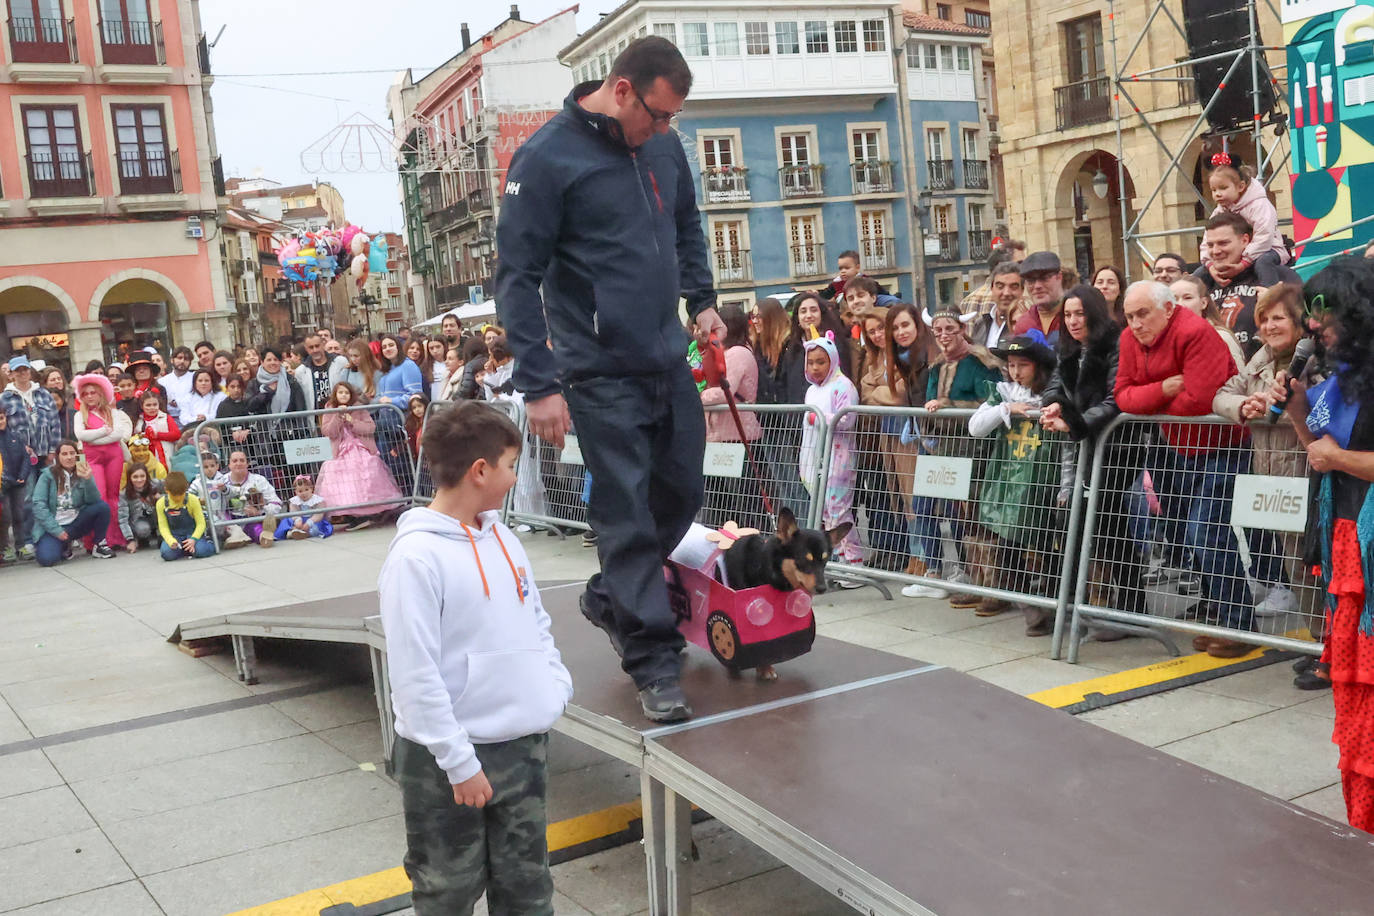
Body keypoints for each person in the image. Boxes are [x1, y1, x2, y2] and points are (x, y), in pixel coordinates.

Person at [494, 35, 720, 721]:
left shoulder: (661, 145)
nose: (664, 129)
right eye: (657, 115)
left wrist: (702, 299)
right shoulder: (545, 159)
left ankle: (609, 597)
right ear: (622, 90)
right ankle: (653, 660)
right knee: (623, 510)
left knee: (681, 491)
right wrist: (538, 383)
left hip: (667, 357)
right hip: (597, 370)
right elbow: (516, 277)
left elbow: (686, 223)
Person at [380, 401, 571, 916]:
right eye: (510, 465)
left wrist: (553, 687)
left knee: (528, 890)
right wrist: (459, 762)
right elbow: (414, 673)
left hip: (521, 747)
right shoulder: (415, 557)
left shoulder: (504, 536)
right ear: (480, 470)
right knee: (447, 890)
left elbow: (536, 621)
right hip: (447, 763)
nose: (514, 477)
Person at [1265, 259, 1374, 827]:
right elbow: (1320, 454)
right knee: (1357, 688)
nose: (1314, 326)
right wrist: (1300, 413)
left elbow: (1340, 458)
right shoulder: (1338, 376)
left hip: (1371, 546)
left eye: (1324, 314)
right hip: (1346, 543)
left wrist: (1339, 457)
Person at [1115, 280, 1255, 658]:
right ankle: (1226, 616)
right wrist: (1163, 390)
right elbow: (1123, 395)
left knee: (1206, 533)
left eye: (1143, 314)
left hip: (1222, 447)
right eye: (1130, 316)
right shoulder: (1130, 339)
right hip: (1176, 447)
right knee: (1187, 533)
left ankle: (1239, 623)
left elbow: (1199, 399)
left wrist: (1152, 400)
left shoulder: (1195, 332)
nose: (1136, 324)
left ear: (1169, 309)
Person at [1041, 285, 1148, 636]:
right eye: (1068, 315)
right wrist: (1056, 403)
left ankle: (1133, 609)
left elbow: (1116, 399)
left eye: (1079, 314)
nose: (1073, 321)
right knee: (1098, 527)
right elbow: (1055, 382)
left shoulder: (1116, 342)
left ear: (1094, 313)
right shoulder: (1069, 348)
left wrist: (1074, 422)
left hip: (1117, 449)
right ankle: (1116, 605)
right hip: (1086, 446)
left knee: (1109, 526)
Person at [1213, 282, 1322, 625]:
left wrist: (1285, 408)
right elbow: (1221, 395)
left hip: (1311, 478)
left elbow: (1323, 410)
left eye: (1278, 318)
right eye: (1263, 319)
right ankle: (1319, 643)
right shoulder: (1259, 360)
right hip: (1275, 484)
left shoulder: (1317, 361)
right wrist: (1245, 406)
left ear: (1299, 321)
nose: (1269, 326)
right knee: (1296, 567)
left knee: (1321, 566)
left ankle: (1338, 646)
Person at [966, 331, 1060, 631]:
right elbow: (976, 427)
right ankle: (1029, 607)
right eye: (1012, 364)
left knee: (1048, 547)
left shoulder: (1055, 395)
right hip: (1009, 482)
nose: (1016, 371)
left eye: (1024, 364)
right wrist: (1006, 409)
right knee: (1006, 546)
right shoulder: (1003, 393)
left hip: (1045, 480)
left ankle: (1053, 605)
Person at [1195, 211, 1302, 359]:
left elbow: (1301, 325)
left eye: (1223, 243)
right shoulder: (1202, 283)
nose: (1215, 251)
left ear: (1245, 240)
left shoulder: (1274, 275)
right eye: (1210, 245)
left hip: (1263, 374)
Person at [698, 304, 764, 531]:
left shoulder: (738, 353)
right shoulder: (725, 352)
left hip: (736, 435)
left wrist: (696, 396)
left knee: (741, 500)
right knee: (722, 500)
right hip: (721, 436)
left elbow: (725, 390)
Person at [800, 333, 863, 566]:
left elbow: (846, 419)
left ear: (833, 360)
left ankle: (854, 562)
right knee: (825, 514)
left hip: (838, 460)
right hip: (814, 459)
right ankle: (837, 559)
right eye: (811, 362)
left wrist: (818, 418)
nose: (815, 368)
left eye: (821, 362)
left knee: (839, 513)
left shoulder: (842, 386)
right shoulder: (812, 390)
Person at [315, 382, 405, 530]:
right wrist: (338, 416)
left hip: (360, 447)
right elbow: (328, 431)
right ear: (335, 395)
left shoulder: (359, 408)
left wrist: (352, 421)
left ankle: (366, 513)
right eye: (340, 393)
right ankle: (351, 514)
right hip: (340, 450)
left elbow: (370, 427)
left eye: (346, 393)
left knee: (366, 471)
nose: (343, 395)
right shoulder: (330, 409)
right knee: (339, 478)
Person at [1198, 153, 1289, 287]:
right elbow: (1207, 240)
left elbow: (1264, 236)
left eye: (1223, 188)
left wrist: (1244, 263)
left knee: (1263, 263)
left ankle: (1271, 294)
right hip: (1240, 254)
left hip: (1269, 249)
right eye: (1213, 189)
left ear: (1241, 186)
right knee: (1201, 272)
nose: (1217, 193)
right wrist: (1210, 265)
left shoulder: (1259, 205)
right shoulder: (1219, 210)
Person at [31, 440, 116, 564]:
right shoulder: (47, 475)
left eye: (72, 453)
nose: (69, 457)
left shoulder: (82, 471)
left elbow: (94, 501)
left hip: (75, 522)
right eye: (64, 454)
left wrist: (88, 480)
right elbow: (38, 505)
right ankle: (64, 545)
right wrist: (56, 530)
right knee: (47, 559)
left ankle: (99, 545)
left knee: (102, 507)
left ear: (77, 455)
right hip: (54, 526)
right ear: (58, 457)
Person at [72, 372, 131, 549]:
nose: (90, 396)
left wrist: (94, 437)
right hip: (91, 458)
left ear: (101, 394)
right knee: (99, 497)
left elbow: (118, 434)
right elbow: (80, 435)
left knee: (114, 497)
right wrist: (103, 432)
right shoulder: (78, 415)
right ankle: (98, 539)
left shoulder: (113, 413)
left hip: (114, 455)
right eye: (86, 393)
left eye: (93, 392)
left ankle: (115, 538)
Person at [3, 355, 61, 488]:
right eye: (18, 370)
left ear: (30, 371)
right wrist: (17, 446)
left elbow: (55, 424)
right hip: (21, 457)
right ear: (11, 374)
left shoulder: (44, 394)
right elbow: (4, 430)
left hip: (46, 453)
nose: (23, 373)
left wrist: (53, 451)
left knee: (49, 491)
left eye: (25, 369)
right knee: (28, 496)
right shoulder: (4, 398)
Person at [1171, 274, 1246, 371]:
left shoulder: (1221, 337)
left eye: (1188, 298)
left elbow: (1238, 382)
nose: (1180, 304)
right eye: (1174, 299)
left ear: (1203, 303)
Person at [218, 449, 282, 548]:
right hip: (229, 520)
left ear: (247, 464)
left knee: (256, 529)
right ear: (229, 465)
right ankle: (236, 537)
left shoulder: (259, 480)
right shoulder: (221, 481)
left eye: (242, 460)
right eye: (234, 461)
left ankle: (264, 538)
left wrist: (260, 511)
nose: (238, 463)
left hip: (252, 520)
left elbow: (276, 504)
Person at [155, 471, 216, 561]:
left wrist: (193, 539)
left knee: (201, 551)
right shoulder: (161, 503)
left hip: (192, 533)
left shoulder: (193, 500)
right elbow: (163, 527)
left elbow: (201, 523)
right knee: (166, 554)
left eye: (181, 494)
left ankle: (209, 543)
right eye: (174, 495)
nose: (178, 498)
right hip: (175, 536)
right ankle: (185, 549)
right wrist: (170, 541)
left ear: (186, 488)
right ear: (167, 491)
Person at [0, 408, 34, 561]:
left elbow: (25, 458)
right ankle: (5, 547)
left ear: (5, 418)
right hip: (2, 484)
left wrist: (22, 475)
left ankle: (20, 546)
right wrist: (5, 478)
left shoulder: (16, 436)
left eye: (1, 418)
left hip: (18, 483)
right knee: (5, 516)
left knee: (19, 514)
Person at [971, 261, 1028, 351]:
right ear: (992, 288)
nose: (1006, 293)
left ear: (1022, 289)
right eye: (1000, 286)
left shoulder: (1028, 325)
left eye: (1013, 287)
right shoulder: (981, 323)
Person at [1014, 251, 1067, 345]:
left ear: (1059, 277)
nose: (1037, 286)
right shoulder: (1024, 324)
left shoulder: (1077, 315)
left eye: (1044, 278)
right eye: (1031, 281)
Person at [248, 347, 308, 416]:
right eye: (269, 360)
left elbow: (300, 407)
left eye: (276, 360)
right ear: (262, 362)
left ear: (280, 362)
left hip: (289, 424)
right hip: (264, 425)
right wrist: (267, 392)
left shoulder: (291, 381)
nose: (273, 362)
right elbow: (250, 406)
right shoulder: (254, 383)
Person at [117, 462, 161, 553]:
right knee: (143, 530)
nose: (139, 480)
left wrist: (161, 498)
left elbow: (173, 492)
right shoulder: (124, 494)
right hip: (138, 521)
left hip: (156, 517)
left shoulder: (156, 485)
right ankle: (141, 538)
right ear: (130, 478)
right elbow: (122, 519)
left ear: (147, 476)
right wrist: (130, 540)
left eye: (142, 476)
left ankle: (161, 535)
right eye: (135, 477)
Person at [295, 334, 347, 410]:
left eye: (317, 346)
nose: (315, 350)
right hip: (315, 416)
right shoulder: (300, 371)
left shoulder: (340, 362)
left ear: (323, 345)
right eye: (311, 347)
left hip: (339, 412)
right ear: (306, 349)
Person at [274, 473, 332, 540]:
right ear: (295, 491)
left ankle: (304, 534)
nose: (304, 493)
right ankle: (293, 531)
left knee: (317, 527)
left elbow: (319, 514)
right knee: (286, 521)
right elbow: (294, 512)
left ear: (311, 489)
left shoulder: (317, 500)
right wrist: (297, 520)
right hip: (300, 520)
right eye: (300, 491)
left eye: (306, 490)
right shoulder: (294, 501)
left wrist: (309, 523)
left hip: (313, 520)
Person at [135, 389, 180, 468]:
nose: (152, 408)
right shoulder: (139, 421)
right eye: (148, 405)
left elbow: (176, 434)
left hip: (165, 454)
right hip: (145, 455)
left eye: (155, 404)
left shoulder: (166, 417)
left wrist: (157, 435)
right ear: (142, 406)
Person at [426, 337, 449, 402]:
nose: (435, 351)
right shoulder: (426, 367)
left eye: (438, 347)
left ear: (444, 346)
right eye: (431, 348)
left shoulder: (451, 363)